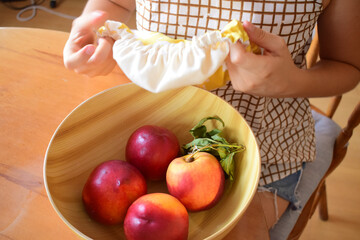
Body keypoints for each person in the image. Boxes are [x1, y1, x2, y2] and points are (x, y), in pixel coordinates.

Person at [63, 0, 360, 239]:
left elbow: (347, 67)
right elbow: (114, 4)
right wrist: (89, 27)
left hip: (261, 152)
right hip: (150, 132)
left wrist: (290, 82)